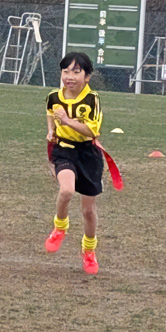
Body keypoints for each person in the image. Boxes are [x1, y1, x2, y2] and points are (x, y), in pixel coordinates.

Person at [45, 52, 103, 275]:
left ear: (86, 76)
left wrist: (68, 121)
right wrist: (51, 130)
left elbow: (93, 130)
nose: (69, 76)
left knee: (88, 211)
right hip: (64, 151)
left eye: (76, 72)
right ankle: (60, 226)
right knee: (66, 190)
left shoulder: (92, 99)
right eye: (65, 71)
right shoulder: (53, 96)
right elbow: (51, 112)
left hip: (88, 155)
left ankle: (89, 251)